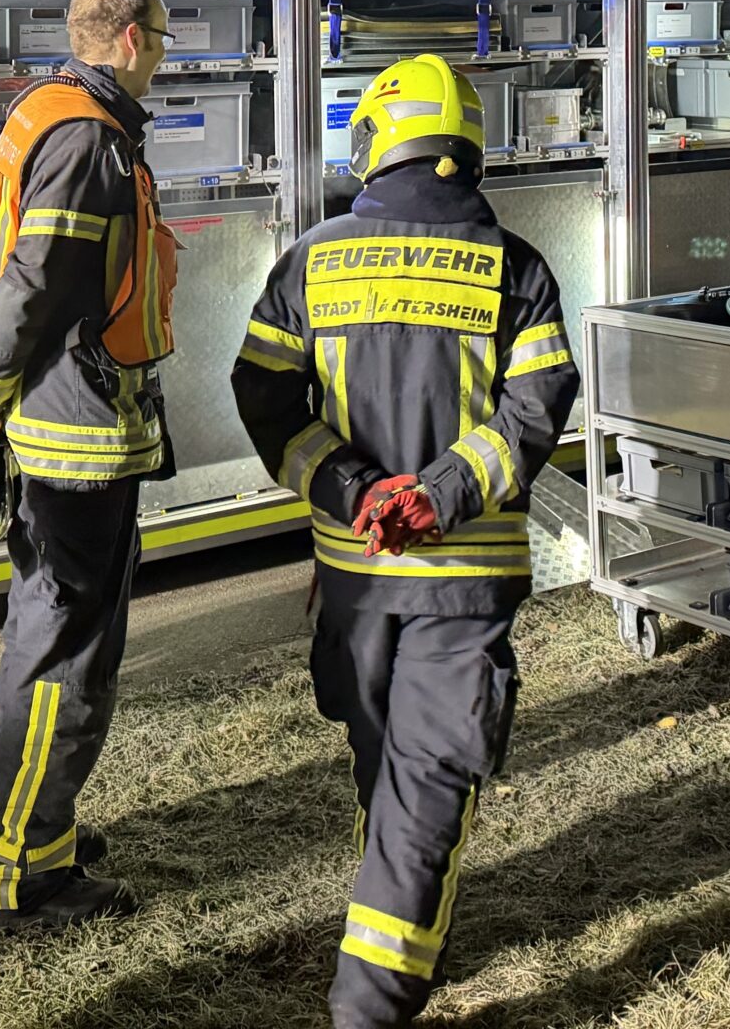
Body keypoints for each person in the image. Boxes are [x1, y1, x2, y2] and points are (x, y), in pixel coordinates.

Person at [230, 53, 580, 1029]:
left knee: (385, 758)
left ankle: (379, 959)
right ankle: (373, 998)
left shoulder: (311, 260)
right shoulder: (515, 268)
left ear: (376, 144)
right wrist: (439, 494)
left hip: (355, 577)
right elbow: (536, 409)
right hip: (462, 581)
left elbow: (262, 394)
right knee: (427, 780)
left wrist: (350, 489)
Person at [0, 0, 175, 930]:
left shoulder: (46, 113)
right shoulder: (89, 140)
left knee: (46, 641)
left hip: (56, 428)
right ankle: (23, 869)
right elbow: (32, 287)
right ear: (128, 39)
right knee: (69, 660)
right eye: (159, 42)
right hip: (75, 439)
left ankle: (14, 817)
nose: (160, 61)